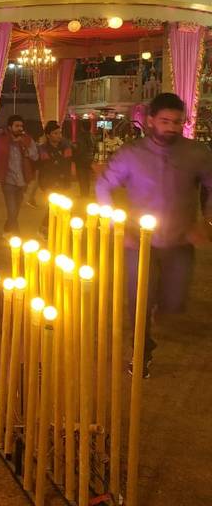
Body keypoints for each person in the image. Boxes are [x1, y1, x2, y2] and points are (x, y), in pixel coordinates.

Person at [96, 92, 212, 377]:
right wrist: (116, 227)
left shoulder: (197, 153)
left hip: (180, 240)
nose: (171, 127)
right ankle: (141, 352)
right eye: (165, 121)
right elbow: (103, 186)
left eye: (177, 122)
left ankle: (160, 305)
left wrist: (207, 221)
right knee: (139, 300)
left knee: (173, 302)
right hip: (138, 242)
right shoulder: (131, 154)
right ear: (150, 121)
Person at [0, 114, 38, 235]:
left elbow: (35, 156)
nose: (20, 128)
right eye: (17, 126)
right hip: (7, 180)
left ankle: (7, 228)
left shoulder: (27, 139)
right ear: (10, 127)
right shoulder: (1, 140)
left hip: (22, 181)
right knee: (11, 208)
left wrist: (25, 147)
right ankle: (16, 233)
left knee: (16, 209)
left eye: (21, 125)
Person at [73, 127, 95, 198]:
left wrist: (75, 157)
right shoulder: (92, 136)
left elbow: (80, 149)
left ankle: (83, 194)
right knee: (87, 177)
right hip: (89, 159)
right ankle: (86, 193)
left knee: (82, 177)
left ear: (82, 127)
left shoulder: (81, 137)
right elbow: (94, 148)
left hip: (81, 160)